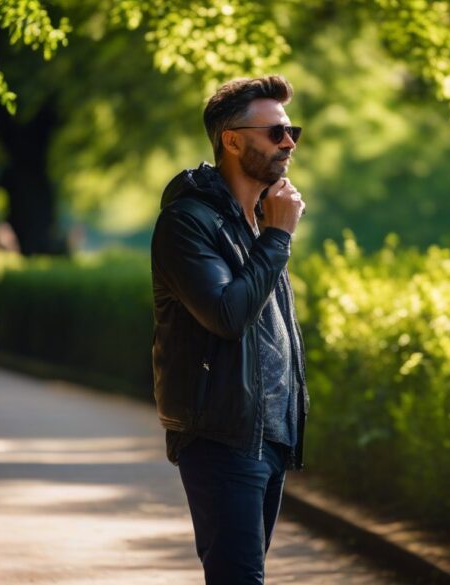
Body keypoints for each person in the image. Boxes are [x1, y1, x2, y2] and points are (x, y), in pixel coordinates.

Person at [149, 75, 309, 584]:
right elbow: (224, 313)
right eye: (276, 133)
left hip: (269, 437)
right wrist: (280, 237)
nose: (288, 143)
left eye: (292, 132)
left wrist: (271, 232)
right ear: (232, 140)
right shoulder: (188, 222)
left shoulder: (257, 222)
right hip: (222, 435)